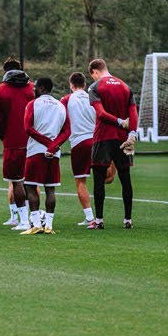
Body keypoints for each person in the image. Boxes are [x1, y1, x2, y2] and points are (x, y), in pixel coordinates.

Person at [86, 59, 137, 230]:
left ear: (95, 71)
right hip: (123, 138)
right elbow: (133, 113)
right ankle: (128, 220)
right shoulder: (125, 86)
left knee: (99, 179)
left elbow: (100, 114)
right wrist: (132, 133)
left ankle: (99, 220)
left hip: (103, 137)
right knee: (125, 177)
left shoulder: (95, 87)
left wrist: (119, 121)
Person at [0, 58, 35, 230]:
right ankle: (35, 218)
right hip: (34, 141)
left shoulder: (0, 90)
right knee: (33, 181)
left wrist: (4, 135)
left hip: (13, 142)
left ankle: (22, 220)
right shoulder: (32, 88)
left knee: (16, 181)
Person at [22, 77, 69, 234]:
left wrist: (47, 143)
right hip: (54, 153)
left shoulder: (32, 104)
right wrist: (54, 145)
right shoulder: (60, 105)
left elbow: (28, 128)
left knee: (30, 186)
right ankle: (48, 226)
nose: (32, 90)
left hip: (36, 150)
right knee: (50, 189)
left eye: (35, 87)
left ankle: (35, 224)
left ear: (41, 88)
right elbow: (67, 131)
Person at [61, 72, 97, 226]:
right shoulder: (93, 96)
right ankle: (100, 217)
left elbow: (59, 116)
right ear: (85, 84)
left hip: (79, 143)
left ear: (71, 85)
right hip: (97, 141)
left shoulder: (67, 99)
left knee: (80, 181)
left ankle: (90, 218)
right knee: (104, 178)